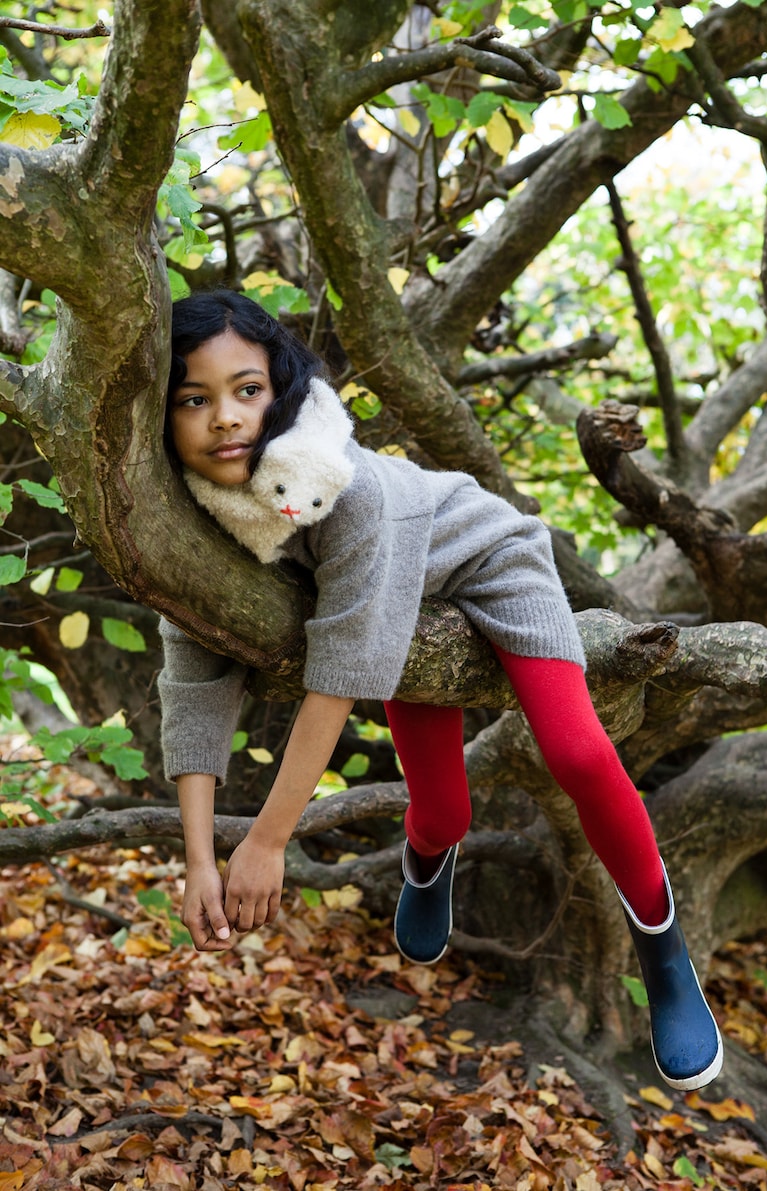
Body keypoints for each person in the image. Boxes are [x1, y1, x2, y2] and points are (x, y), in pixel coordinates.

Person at [158, 289, 723, 1091]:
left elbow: (342, 675)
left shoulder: (339, 486)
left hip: (487, 560)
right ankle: (431, 862)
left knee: (578, 752)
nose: (224, 417)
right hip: (398, 600)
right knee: (445, 810)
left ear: (280, 390)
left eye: (247, 389)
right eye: (194, 398)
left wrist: (268, 839)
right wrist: (200, 858)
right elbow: (193, 678)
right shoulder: (191, 515)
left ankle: (663, 950)